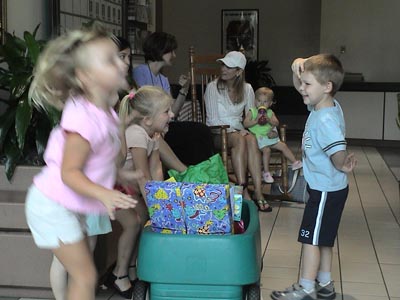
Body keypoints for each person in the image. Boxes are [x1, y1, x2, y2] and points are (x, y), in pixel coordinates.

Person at [25, 23, 140, 300]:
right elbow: (70, 173)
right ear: (87, 77)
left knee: (85, 273)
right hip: (52, 204)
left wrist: (121, 177)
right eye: (110, 60)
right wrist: (104, 193)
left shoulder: (106, 114)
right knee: (85, 275)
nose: (121, 63)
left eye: (120, 57)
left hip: (70, 205)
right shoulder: (82, 119)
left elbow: (101, 161)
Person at [270, 54, 357, 300]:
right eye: (302, 83)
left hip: (325, 190)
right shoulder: (325, 105)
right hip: (331, 188)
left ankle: (306, 287)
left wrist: (343, 163)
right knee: (324, 238)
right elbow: (303, 84)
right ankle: (325, 283)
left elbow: (337, 149)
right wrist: (297, 65)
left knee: (310, 239)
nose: (301, 89)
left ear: (327, 87)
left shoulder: (325, 119)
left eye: (307, 84)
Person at [133, 31, 214, 166]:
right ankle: (192, 175)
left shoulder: (163, 79)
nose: (174, 55)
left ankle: (202, 174)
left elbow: (173, 112)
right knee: (195, 134)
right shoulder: (139, 73)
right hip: (151, 125)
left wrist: (184, 89)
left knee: (201, 130)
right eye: (171, 51)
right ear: (161, 49)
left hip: (165, 124)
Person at [204, 51, 271, 212]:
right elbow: (212, 120)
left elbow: (249, 117)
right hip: (217, 133)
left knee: (251, 139)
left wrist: (254, 129)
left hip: (237, 131)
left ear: (239, 72)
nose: (223, 69)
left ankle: (259, 192)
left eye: (229, 66)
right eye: (223, 65)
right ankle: (243, 190)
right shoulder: (213, 87)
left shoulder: (247, 89)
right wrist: (236, 130)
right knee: (241, 138)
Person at [243, 87, 302, 184]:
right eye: (259, 101)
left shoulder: (270, 113)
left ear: (270, 104)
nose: (261, 104)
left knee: (283, 145)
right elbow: (245, 124)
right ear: (254, 101)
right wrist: (255, 120)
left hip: (269, 136)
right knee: (267, 150)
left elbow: (276, 123)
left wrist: (269, 119)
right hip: (258, 137)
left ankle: (294, 162)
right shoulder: (252, 111)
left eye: (265, 102)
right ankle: (266, 172)